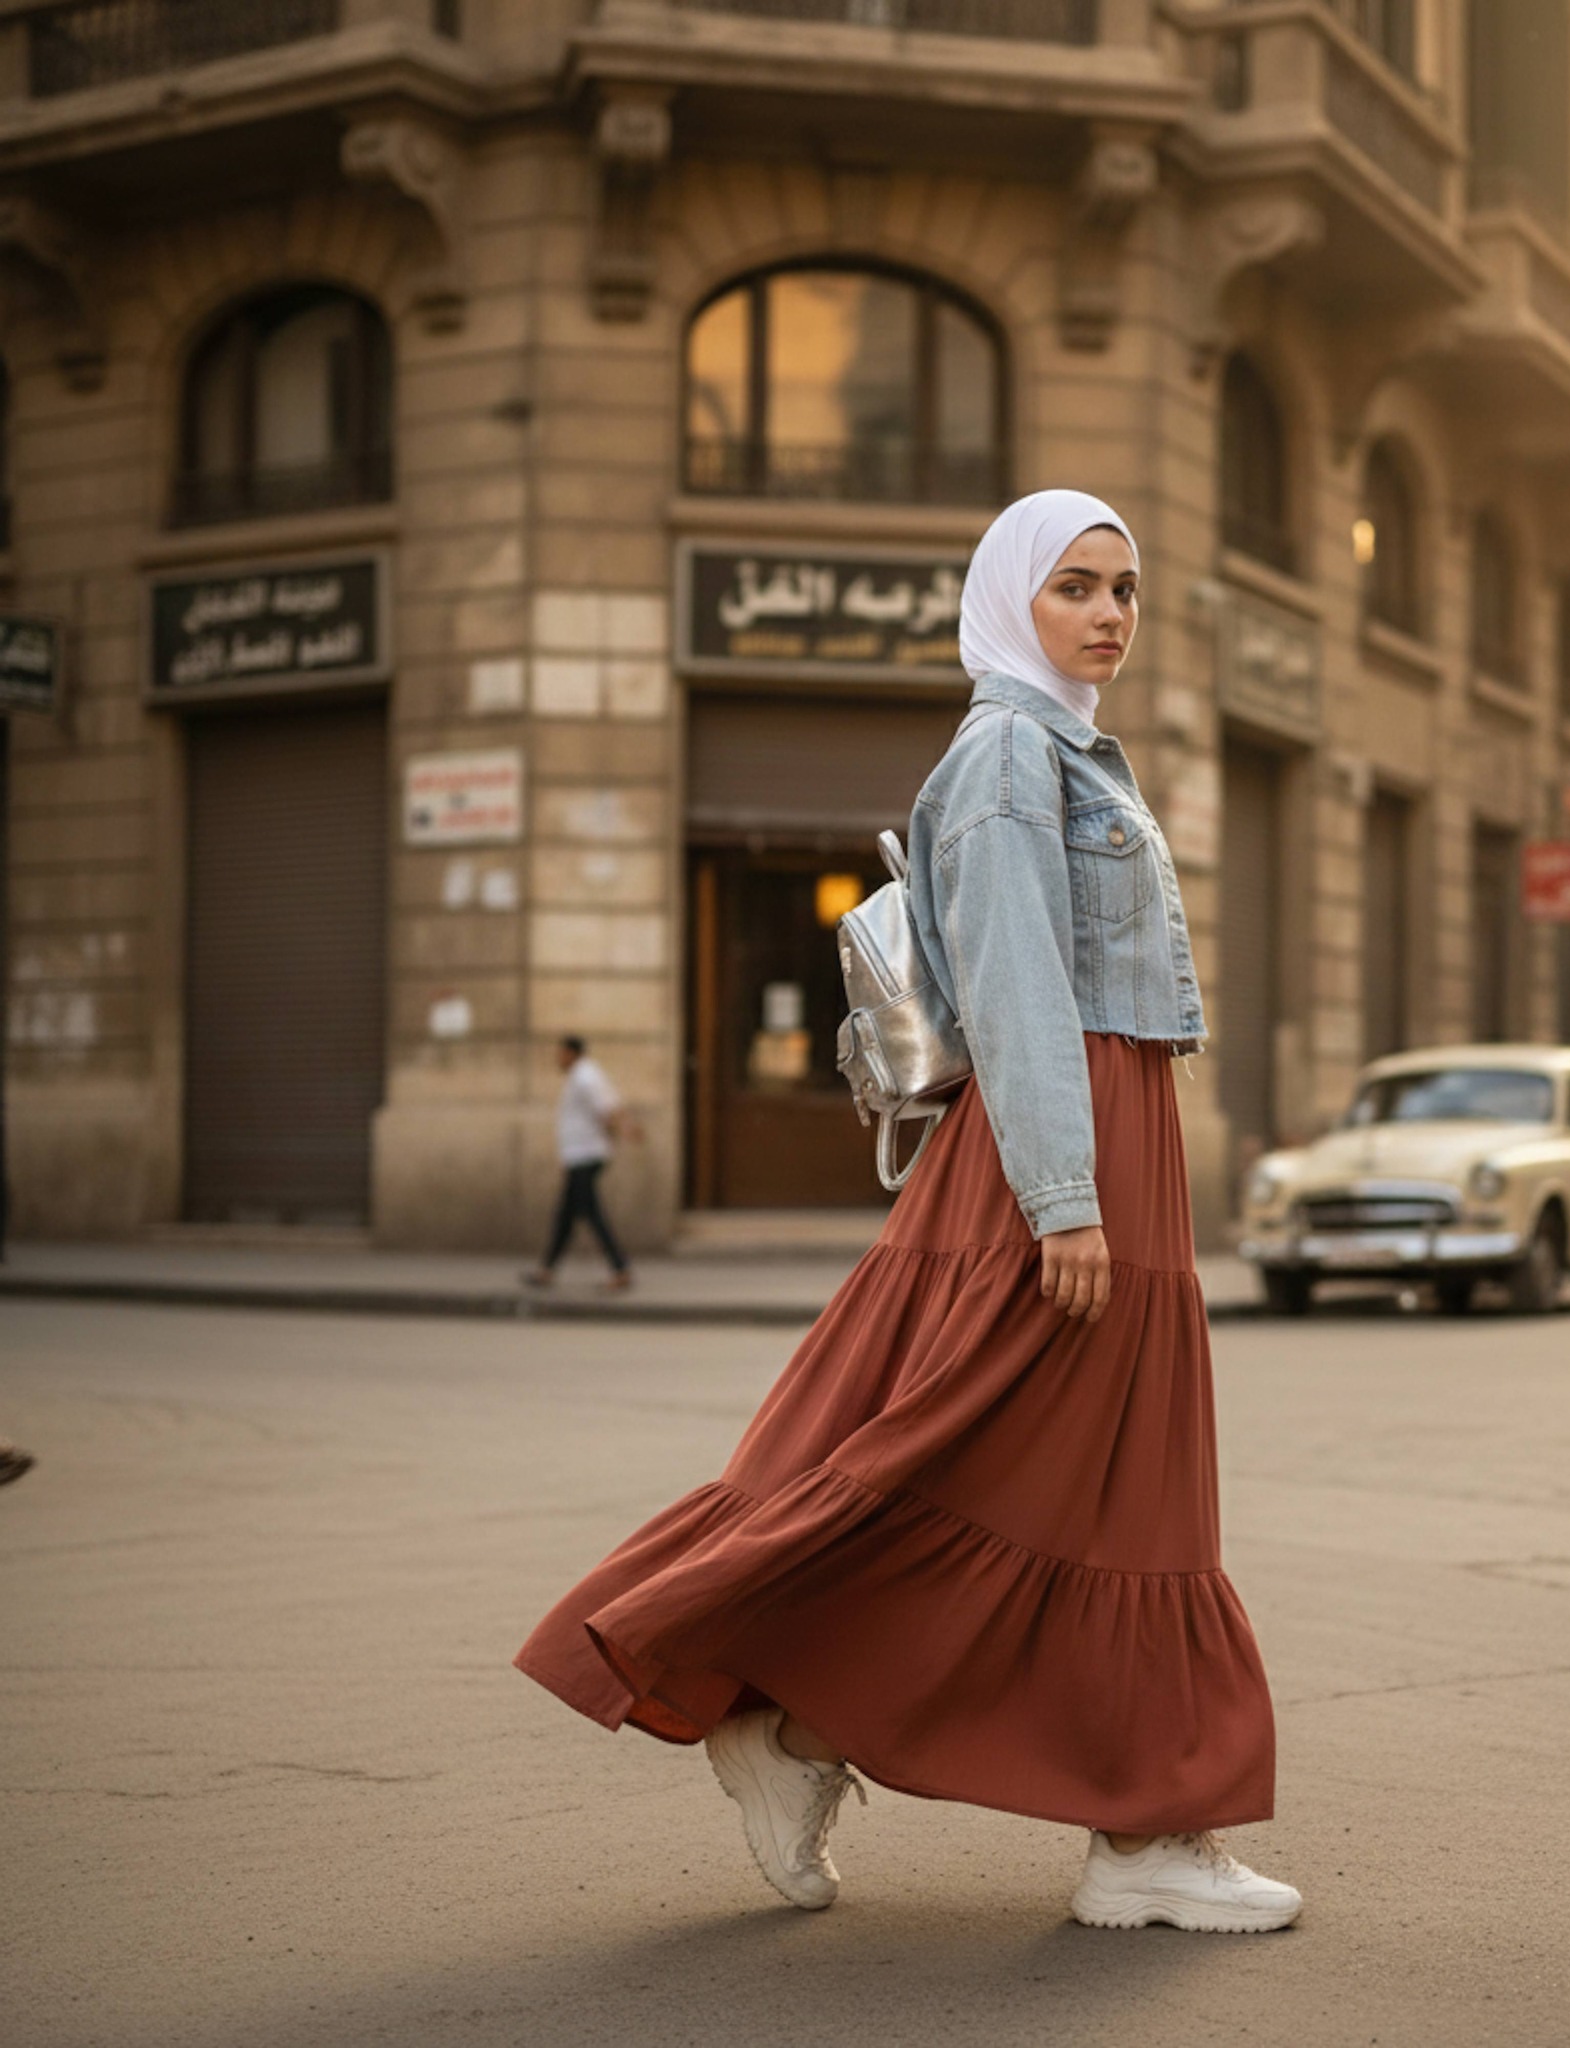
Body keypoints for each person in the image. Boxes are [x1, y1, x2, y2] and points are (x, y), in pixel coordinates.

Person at [515, 491, 1298, 1935]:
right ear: (1013, 601)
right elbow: (1013, 988)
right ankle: (1140, 1834)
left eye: (1125, 587)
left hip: (1102, 1130)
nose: (1110, 613)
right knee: (1044, 1467)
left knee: (1056, 1473)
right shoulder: (1011, 754)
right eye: (1075, 586)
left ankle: (832, 1745)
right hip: (1067, 1142)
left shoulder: (1064, 745)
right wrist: (1067, 1199)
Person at [522, 1036, 633, 1293]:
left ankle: (620, 1269)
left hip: (586, 1154)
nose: (557, 1059)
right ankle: (547, 1270)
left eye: (560, 1054)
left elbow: (606, 1108)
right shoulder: (584, 1075)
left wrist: (624, 1129)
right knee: (566, 1215)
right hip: (578, 1155)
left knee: (591, 1213)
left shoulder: (585, 1077)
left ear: (572, 1053)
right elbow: (612, 1102)